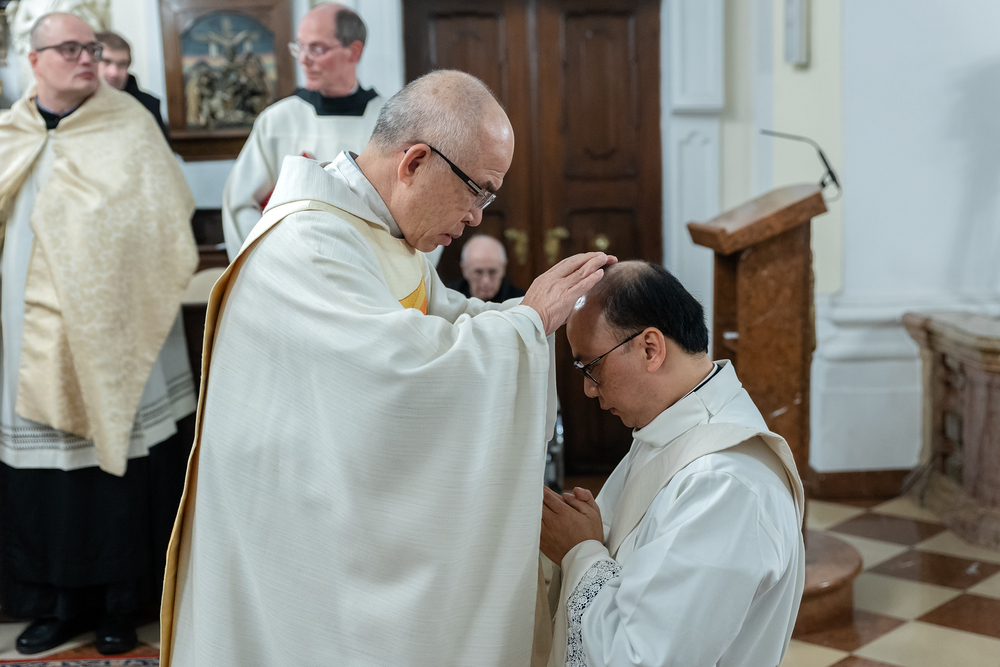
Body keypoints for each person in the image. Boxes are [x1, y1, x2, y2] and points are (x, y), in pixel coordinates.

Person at [160, 69, 613, 667]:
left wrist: (526, 315)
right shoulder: (309, 245)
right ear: (415, 162)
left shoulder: (379, 227)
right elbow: (401, 375)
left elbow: (444, 318)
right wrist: (527, 324)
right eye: (478, 191)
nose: (478, 216)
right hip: (297, 527)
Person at [0, 13, 198, 656]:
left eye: (90, 47)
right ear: (34, 60)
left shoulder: (129, 125)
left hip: (119, 329)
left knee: (119, 471)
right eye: (69, 48)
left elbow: (166, 221)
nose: (85, 58)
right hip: (30, 332)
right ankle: (55, 606)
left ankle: (120, 605)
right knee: (49, 477)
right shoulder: (10, 132)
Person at [538, 261, 805, 667]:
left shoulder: (724, 483)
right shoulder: (670, 428)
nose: (589, 389)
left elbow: (640, 658)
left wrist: (579, 551)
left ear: (650, 348)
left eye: (592, 366)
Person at [221, 3, 384, 260]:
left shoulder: (389, 121)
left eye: (316, 49)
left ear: (354, 51)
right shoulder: (278, 120)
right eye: (300, 47)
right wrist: (274, 261)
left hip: (373, 265)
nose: (303, 60)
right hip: (292, 265)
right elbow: (240, 204)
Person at [95, 30, 169, 139]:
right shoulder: (73, 102)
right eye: (106, 62)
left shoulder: (147, 105)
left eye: (122, 64)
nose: (114, 73)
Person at [448, 233, 526, 302]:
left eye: (492, 272)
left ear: (503, 269)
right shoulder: (449, 299)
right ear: (464, 270)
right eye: (478, 272)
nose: (486, 281)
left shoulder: (521, 302)